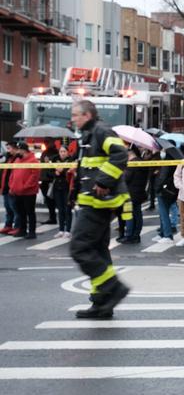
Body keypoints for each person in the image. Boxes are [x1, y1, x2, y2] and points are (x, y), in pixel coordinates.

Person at [69, 100, 130, 319]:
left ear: (87, 115)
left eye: (75, 115)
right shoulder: (89, 134)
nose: (73, 119)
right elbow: (86, 170)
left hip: (99, 202)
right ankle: (102, 303)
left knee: (80, 248)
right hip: (92, 201)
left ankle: (113, 288)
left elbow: (120, 155)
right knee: (98, 251)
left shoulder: (102, 131)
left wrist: (104, 182)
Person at [9, 142, 39, 239]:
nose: (17, 151)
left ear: (23, 150)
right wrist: (11, 186)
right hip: (17, 191)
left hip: (28, 192)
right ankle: (22, 230)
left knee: (30, 212)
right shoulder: (17, 160)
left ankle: (32, 232)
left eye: (18, 149)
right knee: (20, 212)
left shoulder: (33, 161)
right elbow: (12, 174)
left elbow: (34, 176)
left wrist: (25, 186)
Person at [118, 148, 149, 244]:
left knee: (129, 215)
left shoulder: (131, 164)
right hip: (139, 192)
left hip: (130, 193)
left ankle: (129, 235)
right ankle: (136, 235)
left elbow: (126, 178)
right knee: (137, 214)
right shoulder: (142, 162)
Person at [152, 149, 178, 244]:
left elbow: (162, 177)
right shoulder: (174, 159)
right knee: (163, 213)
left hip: (164, 191)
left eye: (163, 150)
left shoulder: (167, 162)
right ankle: (163, 234)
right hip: (170, 190)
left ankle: (167, 235)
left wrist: (157, 188)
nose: (161, 151)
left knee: (164, 214)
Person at [52, 145, 74, 239]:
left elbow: (71, 172)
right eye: (61, 151)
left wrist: (63, 171)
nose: (62, 153)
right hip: (57, 187)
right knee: (60, 210)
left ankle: (68, 230)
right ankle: (61, 230)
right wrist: (55, 172)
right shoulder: (55, 160)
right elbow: (49, 171)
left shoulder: (70, 160)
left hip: (67, 187)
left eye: (64, 151)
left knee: (67, 209)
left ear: (68, 152)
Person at [0, 142, 21, 235]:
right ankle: (8, 225)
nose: (7, 150)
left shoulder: (18, 158)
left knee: (15, 208)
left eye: (9, 148)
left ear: (15, 148)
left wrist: (12, 187)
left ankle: (17, 226)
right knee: (8, 208)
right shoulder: (8, 158)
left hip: (12, 186)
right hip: (5, 186)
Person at [39, 137, 59, 225]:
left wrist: (49, 162)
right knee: (48, 200)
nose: (46, 144)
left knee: (52, 200)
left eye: (47, 142)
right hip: (44, 179)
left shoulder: (56, 152)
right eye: (45, 142)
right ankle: (52, 217)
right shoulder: (45, 152)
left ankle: (54, 217)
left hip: (50, 179)